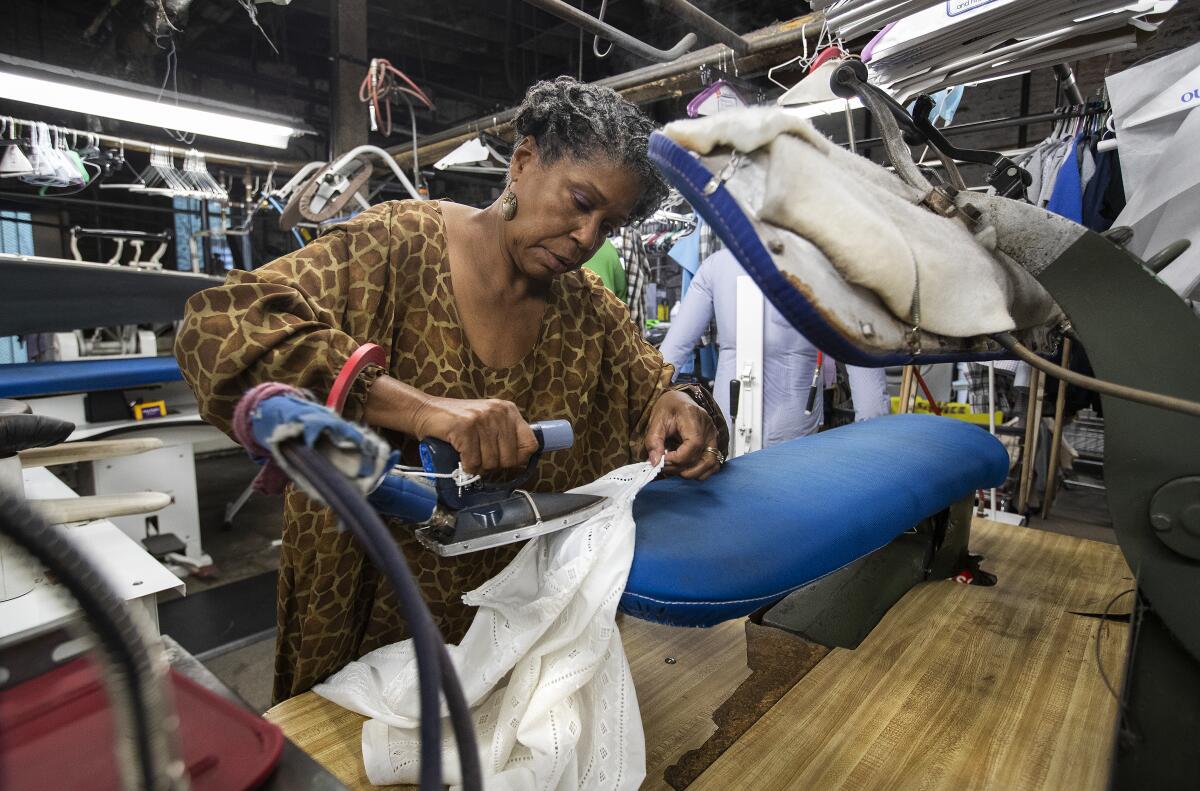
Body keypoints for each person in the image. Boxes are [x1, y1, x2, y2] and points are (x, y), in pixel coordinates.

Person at [175, 77, 727, 702]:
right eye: (579, 202)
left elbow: (654, 392)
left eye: (608, 224)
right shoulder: (393, 249)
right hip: (374, 620)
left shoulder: (589, 312)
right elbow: (219, 327)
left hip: (524, 638)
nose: (585, 237)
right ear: (522, 163)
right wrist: (421, 410)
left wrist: (686, 406)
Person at [659, 249, 889, 447]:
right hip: (791, 433)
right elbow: (869, 390)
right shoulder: (829, 268)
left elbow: (670, 356)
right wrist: (874, 454)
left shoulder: (718, 265)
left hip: (735, 427)